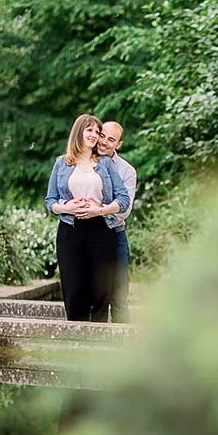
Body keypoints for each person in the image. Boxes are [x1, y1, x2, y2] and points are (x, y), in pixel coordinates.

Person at [44, 113, 131, 322]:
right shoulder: (61, 163)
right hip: (70, 231)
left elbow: (124, 199)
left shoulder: (105, 164)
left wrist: (100, 210)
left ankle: (98, 345)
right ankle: (76, 341)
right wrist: (67, 206)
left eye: (97, 132)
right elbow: (50, 202)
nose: (94, 136)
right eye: (90, 130)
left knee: (101, 291)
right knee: (74, 290)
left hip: (101, 231)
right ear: (78, 132)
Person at [96, 120, 137, 323]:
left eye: (110, 139)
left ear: (118, 144)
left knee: (119, 294)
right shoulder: (84, 162)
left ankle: (125, 348)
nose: (103, 142)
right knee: (96, 296)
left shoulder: (126, 171)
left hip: (115, 234)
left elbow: (124, 210)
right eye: (102, 135)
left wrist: (97, 211)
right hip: (89, 236)